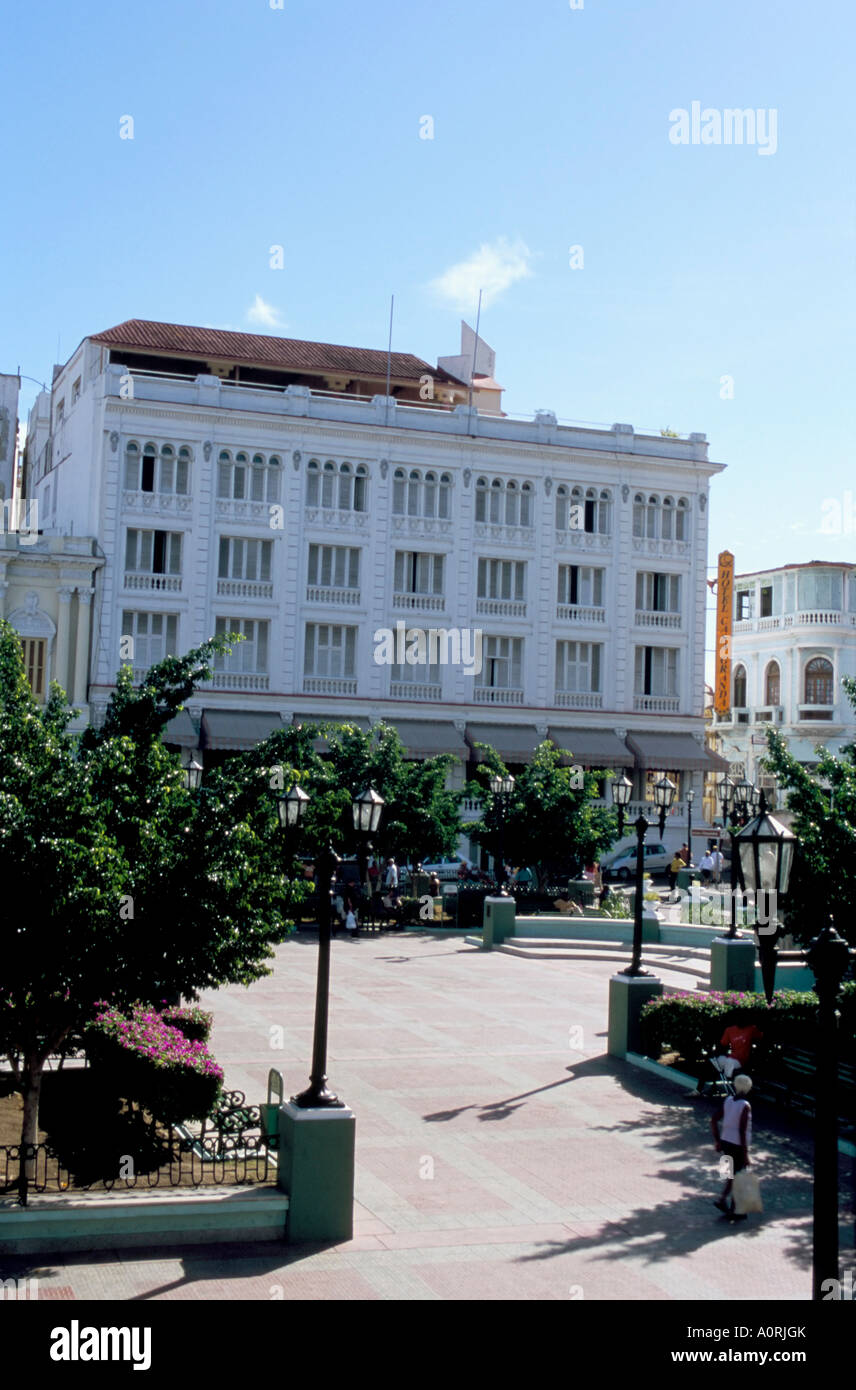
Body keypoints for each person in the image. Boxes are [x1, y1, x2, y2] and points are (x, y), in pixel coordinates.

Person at [711, 1074, 753, 1220]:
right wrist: (746, 1153)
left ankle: (727, 1203)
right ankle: (733, 1208)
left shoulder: (728, 1100)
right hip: (737, 1144)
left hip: (725, 1141)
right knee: (738, 1175)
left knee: (731, 1174)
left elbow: (714, 1119)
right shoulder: (745, 1106)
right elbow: (742, 1130)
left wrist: (717, 1140)